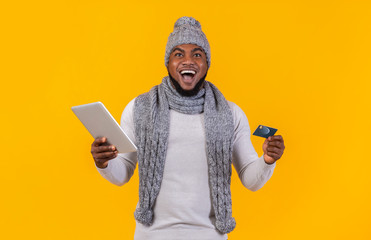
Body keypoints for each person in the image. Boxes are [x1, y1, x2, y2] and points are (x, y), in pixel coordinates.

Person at [90, 16, 285, 240]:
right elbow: (122, 173)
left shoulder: (230, 113)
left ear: (207, 64)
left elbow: (250, 179)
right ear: (168, 63)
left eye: (197, 54)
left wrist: (268, 160)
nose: (188, 61)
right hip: (152, 235)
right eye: (179, 54)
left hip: (209, 235)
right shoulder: (139, 108)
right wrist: (104, 162)